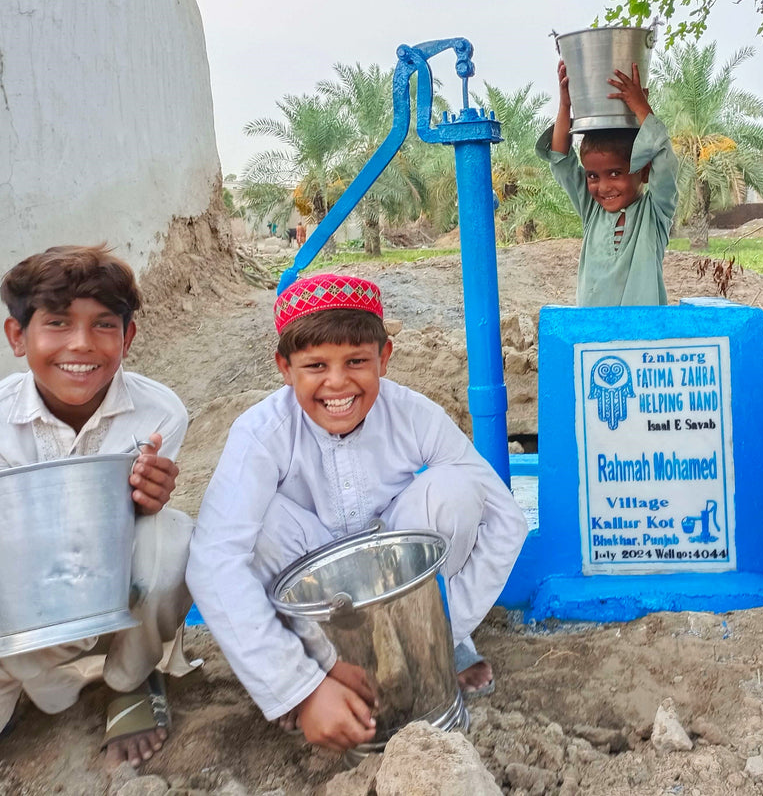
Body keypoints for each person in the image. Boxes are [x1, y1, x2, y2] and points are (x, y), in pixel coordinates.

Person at [186, 273, 528, 752]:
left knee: (455, 488)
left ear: (384, 359)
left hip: (400, 583)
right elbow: (212, 563)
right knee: (252, 525)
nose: (338, 382)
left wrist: (446, 628)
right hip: (311, 599)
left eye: (356, 361)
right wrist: (296, 685)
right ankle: (320, 673)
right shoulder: (261, 433)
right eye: (315, 365)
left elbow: (506, 518)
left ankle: (439, 648)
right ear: (284, 368)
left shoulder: (414, 414)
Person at [0, 245, 194, 766]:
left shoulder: (159, 413)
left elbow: (128, 538)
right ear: (18, 336)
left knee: (171, 537)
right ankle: (26, 682)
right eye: (58, 323)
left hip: (102, 574)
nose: (81, 345)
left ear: (127, 337)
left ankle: (130, 681)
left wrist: (147, 500)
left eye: (104, 325)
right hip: (20, 592)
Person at [536, 60, 679, 306]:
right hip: (595, 339)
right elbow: (561, 160)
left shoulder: (655, 213)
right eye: (593, 176)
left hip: (641, 337)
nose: (603, 187)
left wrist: (640, 107)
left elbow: (664, 159)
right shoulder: (592, 210)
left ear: (644, 172)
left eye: (615, 174)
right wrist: (565, 104)